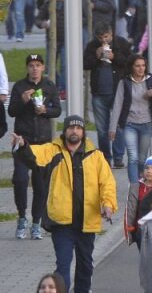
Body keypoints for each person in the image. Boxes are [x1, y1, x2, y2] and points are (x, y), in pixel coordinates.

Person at [12, 115, 117, 292]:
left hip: (87, 221)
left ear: (83, 132)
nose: (74, 131)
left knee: (85, 266)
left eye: (78, 128)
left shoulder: (96, 156)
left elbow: (107, 183)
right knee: (63, 266)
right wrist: (23, 145)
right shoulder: (54, 150)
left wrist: (108, 204)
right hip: (62, 222)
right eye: (71, 128)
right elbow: (34, 156)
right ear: (65, 131)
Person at [10, 52, 62, 240]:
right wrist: (23, 101)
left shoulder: (49, 86)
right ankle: (22, 216)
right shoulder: (19, 86)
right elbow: (12, 111)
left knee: (41, 185)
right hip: (23, 141)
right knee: (20, 179)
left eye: (38, 65)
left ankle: (36, 223)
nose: (35, 69)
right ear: (27, 68)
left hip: (43, 143)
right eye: (31, 65)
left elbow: (57, 110)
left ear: (43, 68)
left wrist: (45, 110)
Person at [110, 53, 152, 184]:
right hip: (129, 124)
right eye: (137, 66)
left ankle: (142, 182)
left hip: (146, 124)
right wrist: (112, 128)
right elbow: (117, 105)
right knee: (133, 157)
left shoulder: (151, 81)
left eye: (143, 65)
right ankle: (134, 187)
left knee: (142, 159)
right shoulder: (124, 83)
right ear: (132, 67)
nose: (141, 68)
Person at [83, 22, 133, 167]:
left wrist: (114, 57)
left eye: (106, 37)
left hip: (118, 91)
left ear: (111, 34)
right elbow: (85, 64)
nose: (103, 41)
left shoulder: (121, 43)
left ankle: (118, 157)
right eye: (100, 38)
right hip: (99, 92)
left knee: (118, 125)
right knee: (102, 128)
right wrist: (96, 56)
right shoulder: (92, 46)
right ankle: (105, 158)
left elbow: (130, 62)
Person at [124, 154, 152, 246]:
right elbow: (130, 209)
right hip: (140, 230)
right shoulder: (137, 187)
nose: (149, 171)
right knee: (144, 256)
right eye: (147, 168)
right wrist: (130, 228)